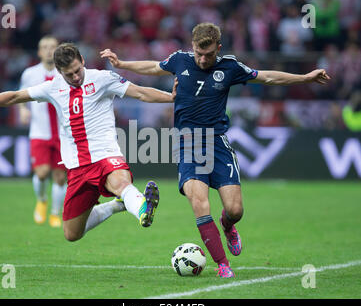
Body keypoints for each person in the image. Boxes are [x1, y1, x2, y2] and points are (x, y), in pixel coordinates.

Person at [100, 22, 331, 278]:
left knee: (235, 210)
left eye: (208, 55)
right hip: (188, 143)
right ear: (193, 47)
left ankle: (228, 225)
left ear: (218, 49)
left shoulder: (230, 66)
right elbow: (154, 67)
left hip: (217, 142)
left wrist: (305, 77)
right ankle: (223, 265)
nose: (202, 59)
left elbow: (267, 77)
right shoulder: (180, 60)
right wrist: (122, 64)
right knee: (200, 203)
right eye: (198, 53)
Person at [0, 42, 177, 242]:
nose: (76, 77)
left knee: (120, 182)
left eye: (77, 70)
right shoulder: (53, 87)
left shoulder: (102, 78)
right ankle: (118, 205)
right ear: (60, 72)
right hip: (76, 166)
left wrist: (172, 98)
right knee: (72, 234)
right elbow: (17, 96)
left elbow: (141, 92)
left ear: (82, 60)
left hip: (105, 154)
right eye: (69, 74)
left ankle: (141, 206)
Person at [18, 35, 67, 228]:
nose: (48, 50)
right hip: (39, 131)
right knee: (41, 173)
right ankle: (41, 199)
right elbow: (21, 95)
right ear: (39, 52)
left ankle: (55, 213)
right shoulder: (29, 73)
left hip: (63, 134)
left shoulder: (65, 72)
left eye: (52, 47)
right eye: (44, 47)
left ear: (58, 50)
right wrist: (23, 110)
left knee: (60, 177)